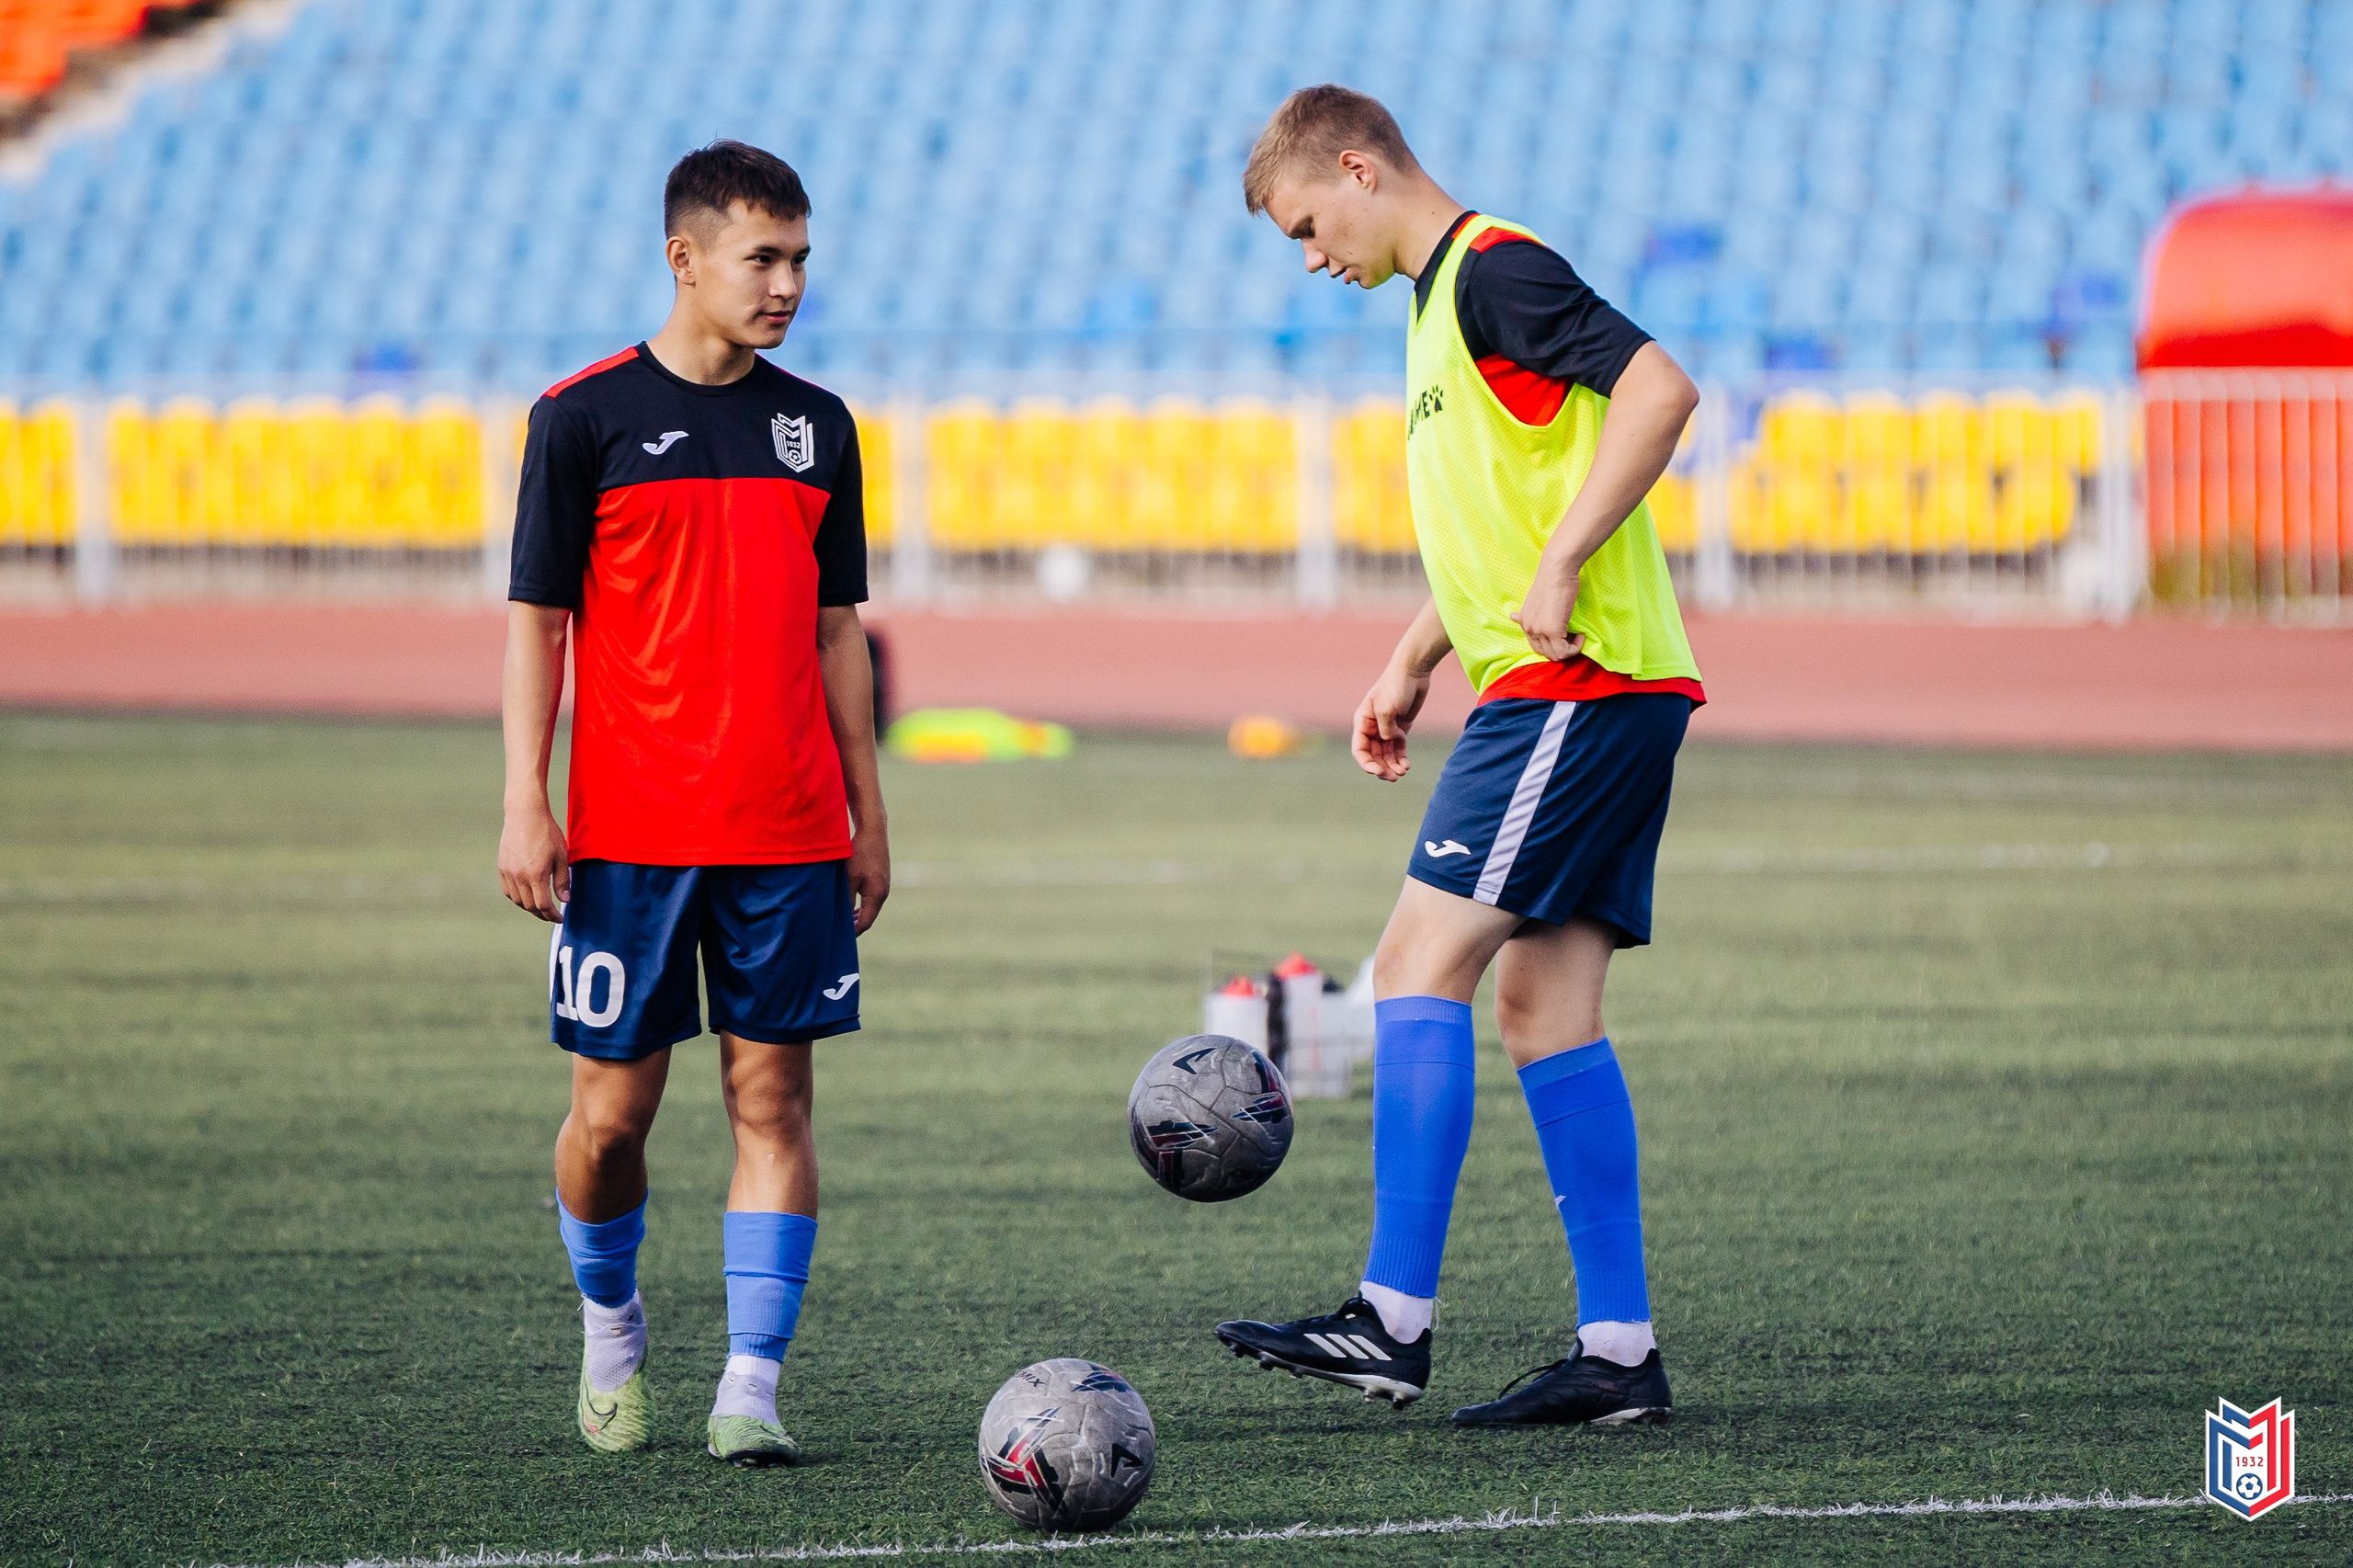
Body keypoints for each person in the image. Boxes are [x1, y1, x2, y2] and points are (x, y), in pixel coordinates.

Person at [1216, 86, 1705, 1427]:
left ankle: (1390, 1319)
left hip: (1573, 683)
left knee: (1412, 964)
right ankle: (1619, 1354)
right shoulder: (1437, 310)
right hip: (1584, 685)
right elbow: (1514, 498)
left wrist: (1560, 566)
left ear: (1360, 169)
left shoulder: (1493, 272)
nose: (1313, 256)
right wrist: (1415, 654)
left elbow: (1662, 389)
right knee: (1545, 1010)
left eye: (1311, 225)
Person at [496, 140, 888, 1466]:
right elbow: (536, 627)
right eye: (761, 259)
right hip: (630, 837)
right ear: (685, 257)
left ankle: (751, 1387)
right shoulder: (582, 417)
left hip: (787, 831)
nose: (786, 285)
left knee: (773, 1104)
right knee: (611, 1124)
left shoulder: (819, 424)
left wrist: (867, 816)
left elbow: (841, 633)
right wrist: (523, 801)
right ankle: (612, 1329)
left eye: (799, 261)